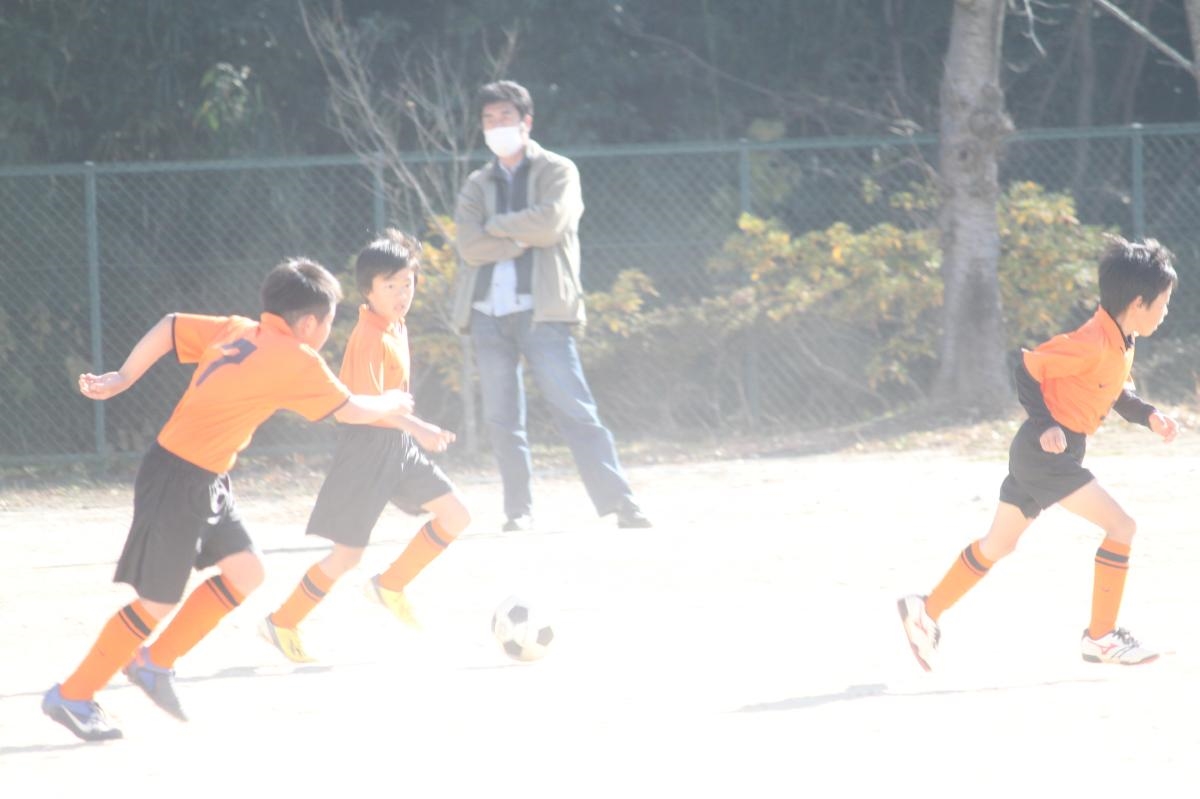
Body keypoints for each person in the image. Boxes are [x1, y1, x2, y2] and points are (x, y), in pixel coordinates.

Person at [42, 258, 414, 742]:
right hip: (178, 477)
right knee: (157, 601)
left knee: (246, 572)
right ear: (308, 324)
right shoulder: (297, 358)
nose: (327, 331)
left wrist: (124, 376)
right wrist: (392, 401)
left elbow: (169, 325)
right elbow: (353, 409)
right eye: (328, 321)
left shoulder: (240, 328)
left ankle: (154, 663)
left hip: (203, 475)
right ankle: (73, 694)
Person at [898, 236, 1179, 671]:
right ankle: (1101, 637)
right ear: (1138, 303)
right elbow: (1028, 368)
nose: (1165, 312)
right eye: (1163, 303)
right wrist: (1046, 423)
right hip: (1046, 453)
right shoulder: (1091, 341)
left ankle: (925, 611)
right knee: (1122, 526)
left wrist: (1149, 415)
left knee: (998, 544)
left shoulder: (1121, 341)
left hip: (1046, 454)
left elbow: (1115, 393)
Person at [260, 230, 470, 663]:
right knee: (347, 556)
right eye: (390, 286)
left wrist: (410, 431)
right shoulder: (369, 336)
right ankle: (282, 621)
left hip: (396, 446)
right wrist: (418, 427)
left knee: (456, 515)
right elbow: (364, 407)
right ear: (368, 291)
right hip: (366, 449)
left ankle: (390, 584)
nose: (402, 294)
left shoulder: (397, 325)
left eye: (407, 283)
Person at [451, 79, 650, 532]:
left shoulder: (559, 170)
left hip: (543, 312)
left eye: (505, 116)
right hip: (486, 313)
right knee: (502, 420)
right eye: (489, 119)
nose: (497, 125)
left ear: (526, 121)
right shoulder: (477, 183)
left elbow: (552, 223)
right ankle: (518, 512)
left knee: (575, 410)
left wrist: (495, 226)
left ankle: (622, 503)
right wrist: (518, 239)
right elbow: (469, 245)